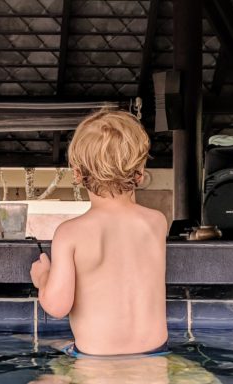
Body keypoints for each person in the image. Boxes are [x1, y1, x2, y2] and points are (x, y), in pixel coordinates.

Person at [31, 110, 169, 357]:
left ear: (76, 173)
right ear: (139, 171)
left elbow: (57, 306)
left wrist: (43, 277)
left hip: (96, 363)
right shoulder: (156, 222)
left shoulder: (70, 233)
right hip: (154, 358)